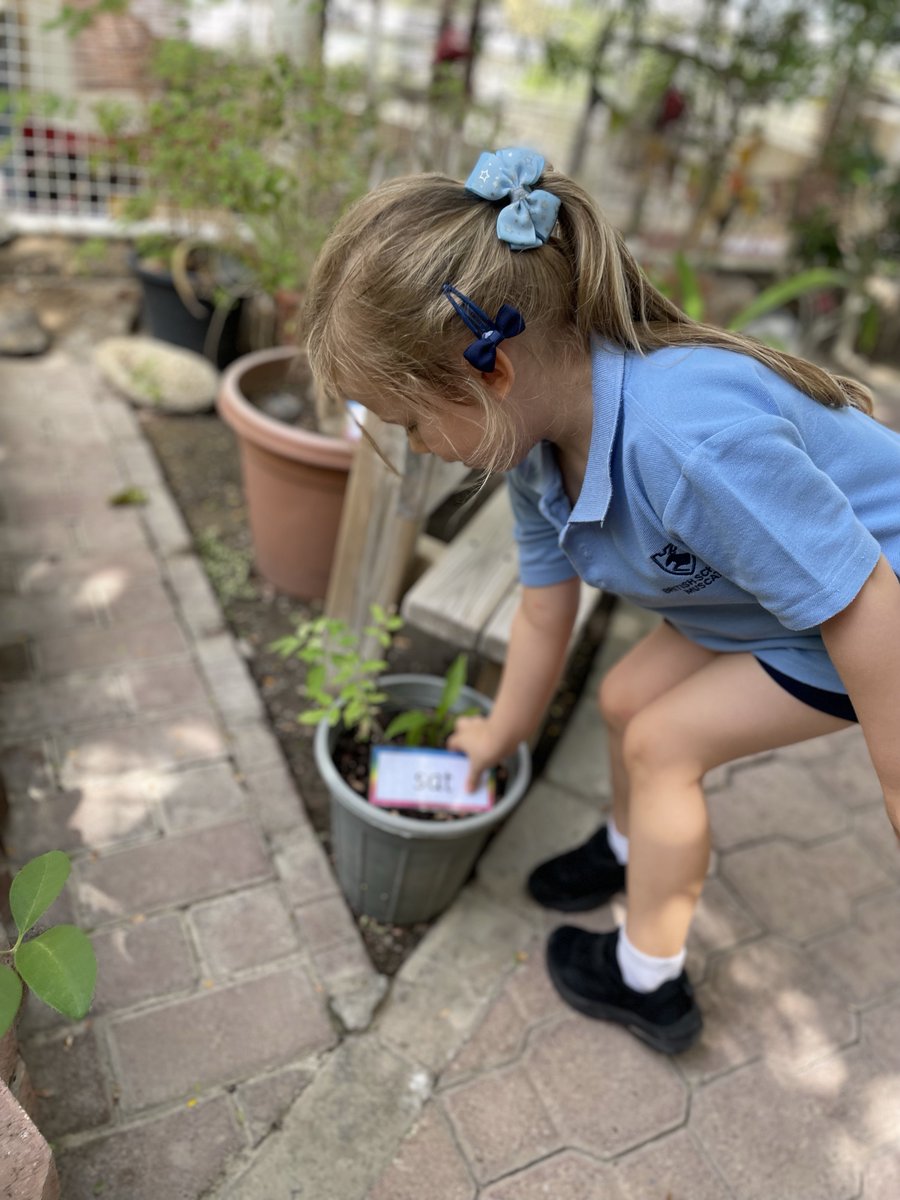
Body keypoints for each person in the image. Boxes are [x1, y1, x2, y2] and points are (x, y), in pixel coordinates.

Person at [305, 146, 900, 1055]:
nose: (418, 445)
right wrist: (502, 734)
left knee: (664, 745)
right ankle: (628, 848)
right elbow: (546, 608)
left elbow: (864, 605)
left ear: (489, 372)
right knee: (624, 699)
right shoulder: (530, 443)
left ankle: (647, 980)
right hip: (773, 595)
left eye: (411, 421)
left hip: (869, 606)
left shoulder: (687, 441)